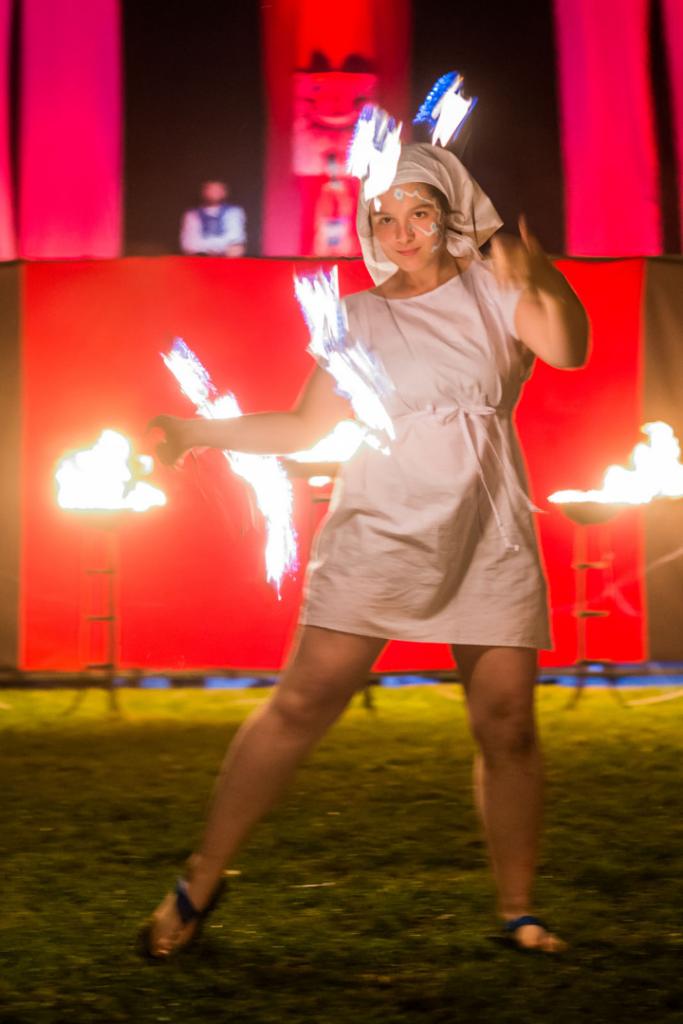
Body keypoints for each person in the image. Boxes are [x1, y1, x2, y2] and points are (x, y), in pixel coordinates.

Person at [143, 143, 589, 958]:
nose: (400, 231)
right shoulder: (356, 316)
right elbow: (302, 425)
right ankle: (198, 883)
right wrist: (194, 430)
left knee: (507, 725)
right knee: (301, 704)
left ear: (451, 213)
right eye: (383, 218)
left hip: (486, 531)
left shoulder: (496, 291)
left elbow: (567, 349)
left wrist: (541, 278)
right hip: (380, 527)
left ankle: (517, 911)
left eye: (418, 212)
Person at [179, 180, 246, 256]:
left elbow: (235, 240)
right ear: (203, 192)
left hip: (226, 258)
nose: (214, 193)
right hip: (199, 258)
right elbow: (189, 244)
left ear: (224, 193)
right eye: (210, 189)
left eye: (217, 190)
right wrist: (210, 250)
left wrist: (221, 249)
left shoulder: (234, 212)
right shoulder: (192, 214)